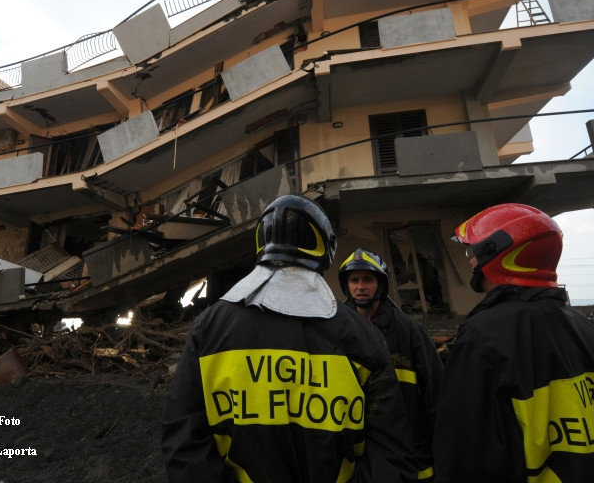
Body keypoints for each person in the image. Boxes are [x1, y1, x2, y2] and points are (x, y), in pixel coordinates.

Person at [161, 194, 417, 483]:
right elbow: (391, 450)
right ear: (325, 248)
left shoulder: (209, 328)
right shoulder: (362, 335)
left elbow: (184, 443)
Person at [433, 203, 594, 482]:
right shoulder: (589, 330)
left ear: (495, 252)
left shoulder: (485, 334)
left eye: (473, 251)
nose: (470, 261)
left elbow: (466, 453)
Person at [339, 248, 444, 481]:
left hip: (410, 453)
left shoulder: (409, 331)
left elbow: (436, 395)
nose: (360, 286)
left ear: (381, 285)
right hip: (357, 452)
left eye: (367, 279)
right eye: (354, 280)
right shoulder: (338, 330)